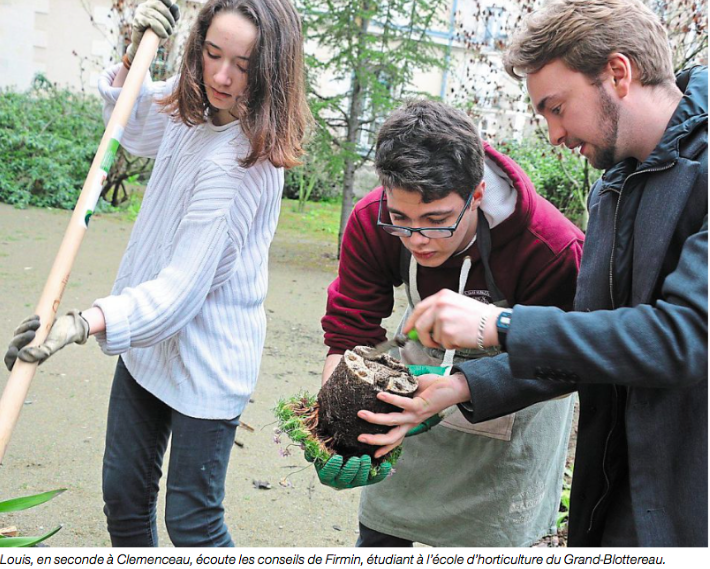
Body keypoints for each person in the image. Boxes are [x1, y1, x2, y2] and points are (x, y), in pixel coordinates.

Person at [357, 0, 707, 548]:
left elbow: (687, 337)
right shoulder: (613, 186)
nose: (552, 134)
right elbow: (589, 341)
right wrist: (461, 385)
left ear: (618, 73)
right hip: (614, 494)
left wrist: (499, 325)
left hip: (687, 496)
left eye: (557, 107)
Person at [4, 0, 310, 547]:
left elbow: (177, 295)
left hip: (207, 360)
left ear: (270, 71)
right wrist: (134, 48)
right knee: (123, 497)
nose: (221, 76)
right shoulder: (192, 106)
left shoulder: (241, 167)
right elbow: (133, 121)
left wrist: (80, 325)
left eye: (242, 65)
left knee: (192, 524)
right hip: (148, 346)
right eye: (213, 54)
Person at [318, 99, 584, 546]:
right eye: (400, 219)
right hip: (412, 403)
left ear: (477, 195)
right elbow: (349, 332)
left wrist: (459, 385)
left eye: (437, 221)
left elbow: (564, 362)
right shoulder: (373, 221)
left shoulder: (551, 247)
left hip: (513, 410)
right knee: (384, 538)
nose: (417, 239)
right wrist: (333, 426)